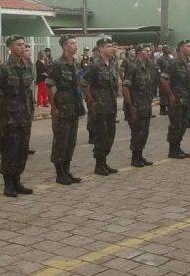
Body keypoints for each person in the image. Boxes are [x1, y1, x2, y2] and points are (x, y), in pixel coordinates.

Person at [0, 35, 35, 197]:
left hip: (25, 116)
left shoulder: (26, 67)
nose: (23, 47)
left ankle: (17, 180)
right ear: (10, 48)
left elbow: (28, 91)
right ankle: (8, 184)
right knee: (10, 151)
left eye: (24, 45)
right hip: (10, 117)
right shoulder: (4, 69)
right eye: (19, 45)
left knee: (22, 150)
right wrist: (0, 119)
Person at [47, 35, 84, 183]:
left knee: (71, 141)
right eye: (72, 43)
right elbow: (48, 86)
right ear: (64, 47)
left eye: (75, 43)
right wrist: (53, 108)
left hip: (74, 107)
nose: (75, 46)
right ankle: (59, 172)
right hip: (62, 107)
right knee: (61, 141)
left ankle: (67, 170)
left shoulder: (75, 63)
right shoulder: (58, 64)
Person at [82, 38, 119, 175]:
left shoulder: (113, 64)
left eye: (112, 46)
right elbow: (84, 83)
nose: (111, 48)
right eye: (108, 46)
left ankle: (104, 161)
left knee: (110, 135)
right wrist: (91, 100)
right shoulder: (95, 65)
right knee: (101, 136)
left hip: (111, 105)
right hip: (100, 106)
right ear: (101, 49)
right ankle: (99, 165)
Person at [122, 43, 156, 167]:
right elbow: (125, 88)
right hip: (136, 106)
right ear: (139, 53)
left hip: (146, 105)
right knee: (137, 133)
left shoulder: (148, 67)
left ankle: (140, 156)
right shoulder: (133, 67)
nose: (149, 52)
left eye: (149, 50)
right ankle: (135, 158)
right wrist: (131, 106)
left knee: (144, 132)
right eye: (146, 50)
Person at [160, 40, 190, 159]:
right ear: (180, 48)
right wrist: (170, 95)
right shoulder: (174, 62)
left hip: (186, 99)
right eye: (188, 46)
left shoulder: (187, 62)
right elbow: (164, 79)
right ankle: (172, 150)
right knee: (176, 125)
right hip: (177, 99)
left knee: (183, 124)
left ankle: (178, 147)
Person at [156, 45, 173, 115]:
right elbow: (157, 69)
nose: (169, 49)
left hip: (170, 79)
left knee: (169, 93)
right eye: (167, 48)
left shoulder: (171, 58)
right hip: (163, 79)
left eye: (169, 48)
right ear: (163, 50)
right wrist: (160, 77)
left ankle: (169, 107)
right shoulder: (161, 59)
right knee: (163, 94)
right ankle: (162, 109)